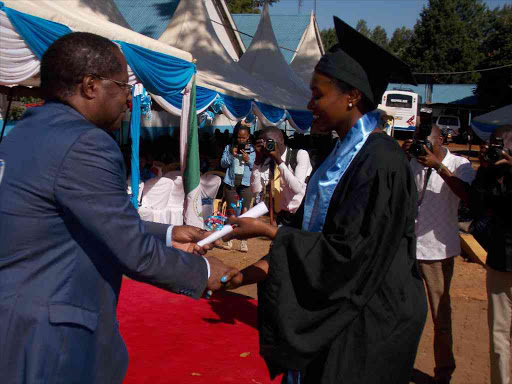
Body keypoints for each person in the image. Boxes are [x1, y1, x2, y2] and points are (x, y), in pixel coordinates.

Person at [0, 32, 238, 384]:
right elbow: (134, 254)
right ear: (91, 86)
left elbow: (82, 222)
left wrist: (169, 234)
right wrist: (205, 271)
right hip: (51, 339)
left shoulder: (23, 134)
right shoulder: (86, 143)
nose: (129, 99)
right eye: (124, 86)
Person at [222, 17, 427, 384]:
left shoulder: (381, 162)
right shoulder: (337, 156)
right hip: (340, 307)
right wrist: (242, 277)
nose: (309, 103)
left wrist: (270, 231)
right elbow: (306, 235)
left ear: (352, 97)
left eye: (318, 94)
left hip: (367, 320)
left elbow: (349, 255)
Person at [403, 124, 476, 384]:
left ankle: (443, 373)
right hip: (408, 249)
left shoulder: (460, 164)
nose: (420, 146)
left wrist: (437, 166)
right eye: (415, 141)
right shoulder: (413, 163)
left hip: (437, 251)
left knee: (440, 317)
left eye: (426, 142)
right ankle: (397, 366)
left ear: (441, 139)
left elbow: (467, 195)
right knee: (404, 313)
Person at [469, 126, 512, 384]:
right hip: (499, 262)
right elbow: (475, 205)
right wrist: (485, 169)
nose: (494, 148)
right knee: (498, 336)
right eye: (491, 143)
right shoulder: (491, 175)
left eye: (500, 144)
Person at [251, 126, 312, 226]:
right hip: (283, 215)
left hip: (301, 213)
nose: (267, 145)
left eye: (269, 141)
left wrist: (279, 161)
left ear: (281, 140)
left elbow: (296, 188)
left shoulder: (300, 155)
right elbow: (256, 189)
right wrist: (257, 160)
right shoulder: (269, 161)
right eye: (263, 143)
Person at [220, 121, 255, 252]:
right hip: (231, 183)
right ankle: (229, 239)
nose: (241, 140)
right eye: (239, 137)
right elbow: (223, 164)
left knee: (245, 214)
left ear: (248, 137)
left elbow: (255, 166)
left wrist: (248, 160)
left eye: (243, 137)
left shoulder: (251, 150)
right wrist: (231, 155)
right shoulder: (229, 147)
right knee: (232, 212)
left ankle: (243, 241)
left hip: (246, 184)